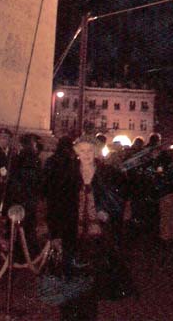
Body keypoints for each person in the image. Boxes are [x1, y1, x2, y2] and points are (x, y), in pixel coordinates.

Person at [47, 135, 133, 321]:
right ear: (77, 153)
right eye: (82, 151)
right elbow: (56, 205)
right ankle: (69, 315)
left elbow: (118, 198)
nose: (86, 154)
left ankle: (87, 316)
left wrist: (107, 211)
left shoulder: (106, 173)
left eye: (89, 151)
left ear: (95, 152)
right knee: (70, 277)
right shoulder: (67, 173)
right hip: (72, 233)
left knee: (91, 279)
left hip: (96, 235)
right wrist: (55, 234)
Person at [8, 133, 43, 258]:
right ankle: (27, 253)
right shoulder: (31, 160)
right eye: (34, 143)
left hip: (22, 197)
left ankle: (22, 251)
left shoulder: (19, 159)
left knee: (22, 227)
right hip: (26, 198)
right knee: (27, 227)